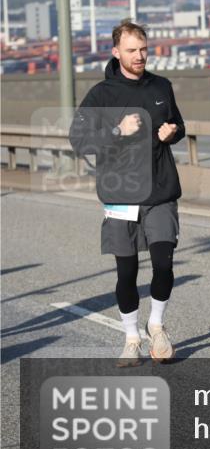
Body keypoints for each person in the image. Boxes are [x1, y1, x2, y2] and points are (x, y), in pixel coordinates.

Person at [69, 19, 186, 366]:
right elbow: (78, 142)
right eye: (132, 50)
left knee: (164, 264)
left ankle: (156, 324)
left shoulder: (161, 86)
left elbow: (180, 125)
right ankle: (131, 338)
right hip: (121, 193)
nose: (139, 56)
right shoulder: (101, 95)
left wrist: (172, 132)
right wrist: (118, 130)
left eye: (144, 49)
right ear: (116, 51)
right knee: (127, 273)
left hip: (161, 190)